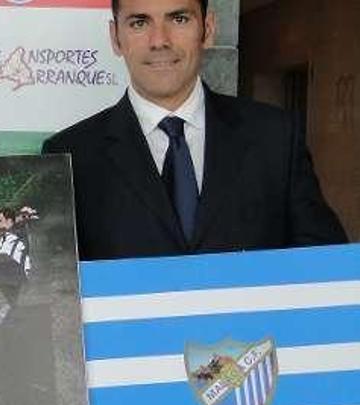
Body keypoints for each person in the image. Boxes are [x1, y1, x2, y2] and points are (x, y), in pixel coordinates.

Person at [42, 0, 347, 261]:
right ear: (115, 37)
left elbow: (324, 267)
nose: (159, 40)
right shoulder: (69, 156)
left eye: (179, 18)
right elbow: (54, 297)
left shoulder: (275, 137)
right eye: (139, 22)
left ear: (208, 29)